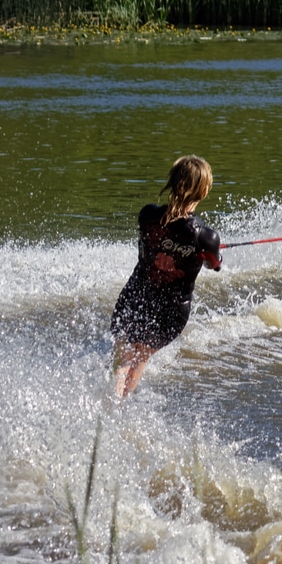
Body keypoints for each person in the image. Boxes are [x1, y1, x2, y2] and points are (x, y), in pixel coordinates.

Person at [111, 155, 222, 398]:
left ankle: (110, 405)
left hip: (136, 296)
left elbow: (163, 235)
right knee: (139, 359)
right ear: (203, 192)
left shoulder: (147, 215)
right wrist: (213, 254)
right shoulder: (206, 237)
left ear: (171, 183)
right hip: (171, 310)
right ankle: (117, 411)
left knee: (122, 361)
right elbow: (215, 265)